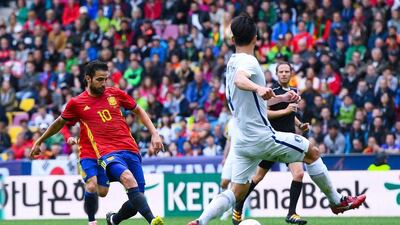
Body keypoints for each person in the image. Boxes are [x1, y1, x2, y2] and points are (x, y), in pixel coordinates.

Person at [187, 13, 366, 225]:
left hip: (242, 141)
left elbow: (250, 99)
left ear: (232, 40)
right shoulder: (249, 62)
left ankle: (201, 221)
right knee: (313, 152)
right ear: (256, 38)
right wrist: (259, 87)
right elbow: (240, 81)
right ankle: (336, 202)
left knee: (237, 190)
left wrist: (279, 97)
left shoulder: (232, 62)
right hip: (261, 137)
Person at [30, 60, 164, 225]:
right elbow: (59, 123)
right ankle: (151, 221)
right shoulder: (77, 103)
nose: (103, 83)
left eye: (106, 79)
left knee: (136, 198)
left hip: (130, 149)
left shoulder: (115, 94)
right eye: (99, 79)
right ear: (88, 79)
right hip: (106, 153)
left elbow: (139, 110)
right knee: (103, 184)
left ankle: (114, 220)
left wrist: (155, 134)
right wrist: (40, 141)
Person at [232, 62, 309, 225]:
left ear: (291, 73)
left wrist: (299, 124)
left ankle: (292, 213)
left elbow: (291, 114)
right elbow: (265, 113)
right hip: (272, 141)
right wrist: (285, 111)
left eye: (286, 71)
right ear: (276, 74)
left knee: (299, 174)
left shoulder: (294, 92)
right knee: (257, 177)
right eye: (281, 71)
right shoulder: (271, 92)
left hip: (289, 141)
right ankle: (238, 207)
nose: (283, 74)